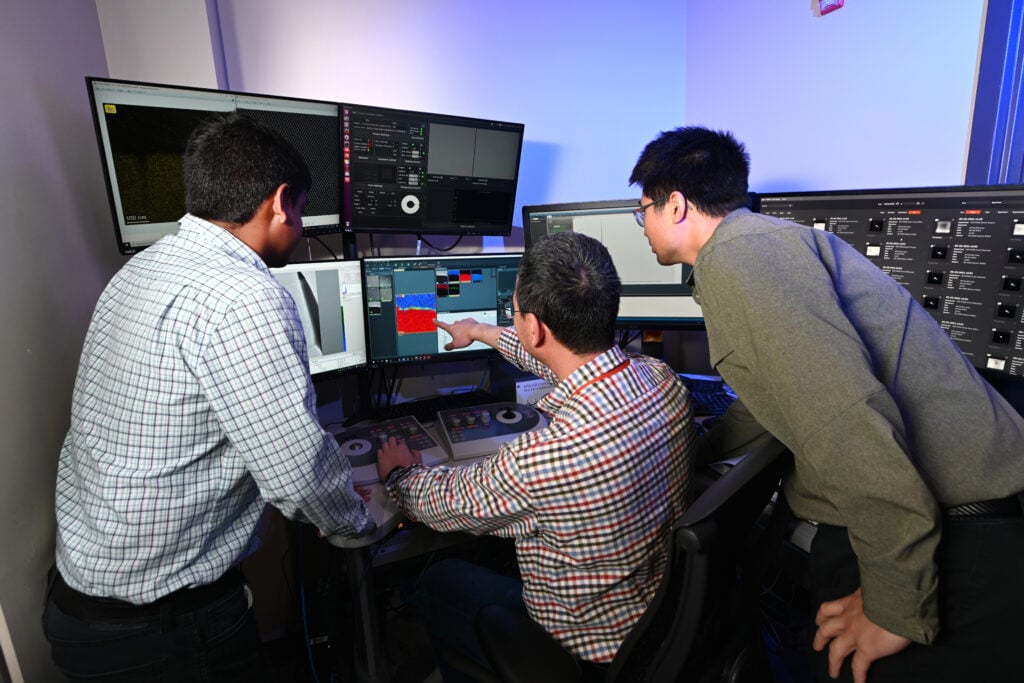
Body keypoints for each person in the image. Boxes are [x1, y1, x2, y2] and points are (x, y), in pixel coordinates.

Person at [628, 125, 1024, 683]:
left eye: (640, 209)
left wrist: (894, 607)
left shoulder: (741, 258)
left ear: (674, 206)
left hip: (961, 538)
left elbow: (849, 418)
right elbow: (777, 398)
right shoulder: (758, 246)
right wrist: (696, 450)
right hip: (943, 521)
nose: (640, 227)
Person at [44, 111, 373, 681]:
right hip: (165, 631)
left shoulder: (142, 267)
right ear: (279, 202)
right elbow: (299, 480)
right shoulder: (245, 296)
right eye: (300, 210)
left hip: (84, 602)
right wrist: (361, 517)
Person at [374, 231, 695, 678]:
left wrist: (399, 476)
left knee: (438, 580)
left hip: (582, 648)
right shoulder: (662, 380)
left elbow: (443, 504)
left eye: (516, 313)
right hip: (655, 616)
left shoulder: (546, 458)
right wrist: (481, 332)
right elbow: (555, 360)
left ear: (535, 327)